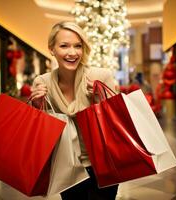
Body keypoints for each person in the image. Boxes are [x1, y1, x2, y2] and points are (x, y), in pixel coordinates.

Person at [30, 21, 118, 200]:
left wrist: (100, 98)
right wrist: (36, 106)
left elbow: (116, 121)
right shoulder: (43, 82)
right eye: (64, 46)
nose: (72, 52)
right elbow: (42, 134)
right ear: (51, 49)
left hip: (103, 164)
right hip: (67, 167)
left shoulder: (100, 76)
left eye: (78, 46)